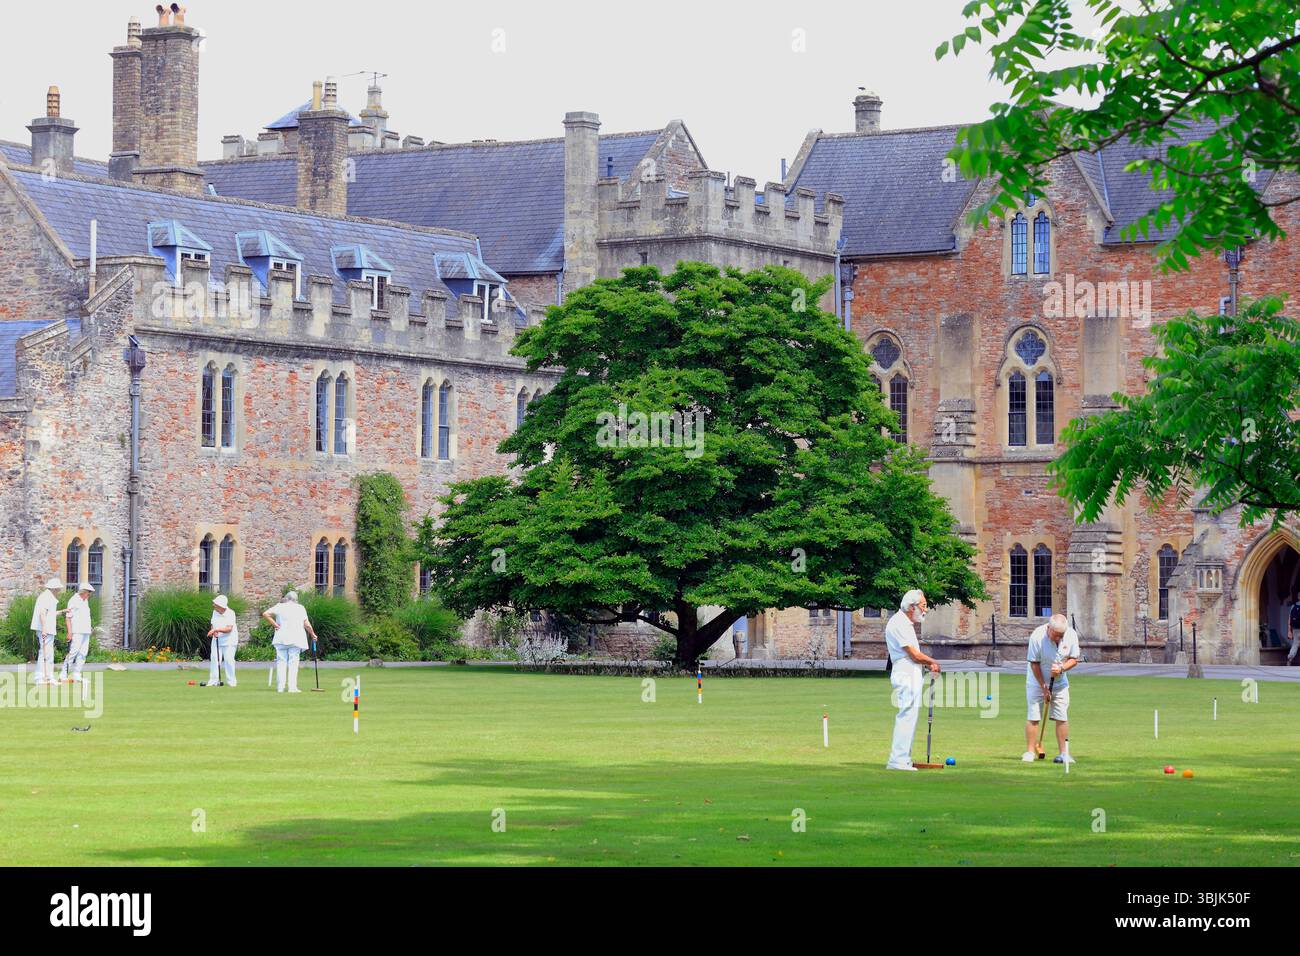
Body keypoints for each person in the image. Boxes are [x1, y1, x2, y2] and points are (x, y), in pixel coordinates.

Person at [884, 589, 941, 771]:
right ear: (912, 607)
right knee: (906, 716)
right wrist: (932, 662)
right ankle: (898, 760)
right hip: (905, 672)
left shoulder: (905, 623)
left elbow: (915, 657)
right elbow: (914, 655)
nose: (925, 610)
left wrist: (927, 665)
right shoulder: (899, 623)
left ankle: (904, 758)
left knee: (910, 716)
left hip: (910, 671)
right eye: (923, 606)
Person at [1022, 613, 1080, 763]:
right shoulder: (1037, 637)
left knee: (1062, 716)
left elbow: (1074, 659)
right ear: (1048, 628)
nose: (1058, 639)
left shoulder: (1071, 635)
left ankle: (1064, 753)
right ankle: (1029, 752)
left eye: (1061, 635)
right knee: (1034, 715)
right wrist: (1044, 687)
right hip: (1036, 681)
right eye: (1055, 635)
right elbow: (1034, 664)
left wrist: (1061, 669)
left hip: (1060, 682)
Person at [261, 591, 317, 693]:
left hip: (281, 638)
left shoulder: (280, 606)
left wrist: (275, 625)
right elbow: (307, 624)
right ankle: (292, 687)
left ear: (286, 598)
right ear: (296, 600)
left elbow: (265, 614)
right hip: (295, 639)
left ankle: (280, 687)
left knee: (281, 662)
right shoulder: (300, 608)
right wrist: (312, 634)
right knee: (293, 663)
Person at [59, 583, 94, 683]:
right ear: (83, 591)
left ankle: (77, 674)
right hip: (77, 631)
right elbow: (68, 618)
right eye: (88, 592)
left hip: (86, 631)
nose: (89, 595)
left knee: (83, 653)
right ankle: (63, 674)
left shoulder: (85, 601)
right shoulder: (73, 600)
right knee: (73, 652)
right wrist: (69, 632)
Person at [30, 577, 60, 685]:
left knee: (48, 653)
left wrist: (63, 611)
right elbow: (42, 613)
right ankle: (40, 678)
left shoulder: (48, 597)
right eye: (58, 589)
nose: (59, 591)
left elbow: (50, 613)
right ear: (54, 589)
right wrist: (43, 629)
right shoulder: (46, 597)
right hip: (45, 630)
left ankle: (48, 677)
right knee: (45, 653)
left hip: (48, 629)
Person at [206, 594, 238, 687]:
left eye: (215, 604)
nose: (213, 605)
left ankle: (232, 681)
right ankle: (213, 681)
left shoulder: (231, 613)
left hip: (229, 641)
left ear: (221, 606)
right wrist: (214, 630)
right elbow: (213, 624)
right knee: (215, 660)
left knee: (229, 660)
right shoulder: (215, 612)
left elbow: (229, 629)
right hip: (217, 639)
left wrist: (216, 630)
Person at [1288, 593, 1300, 665]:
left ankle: (1290, 658)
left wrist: (1289, 630)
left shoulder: (1293, 606)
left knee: (1295, 644)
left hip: (1295, 629)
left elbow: (1289, 619)